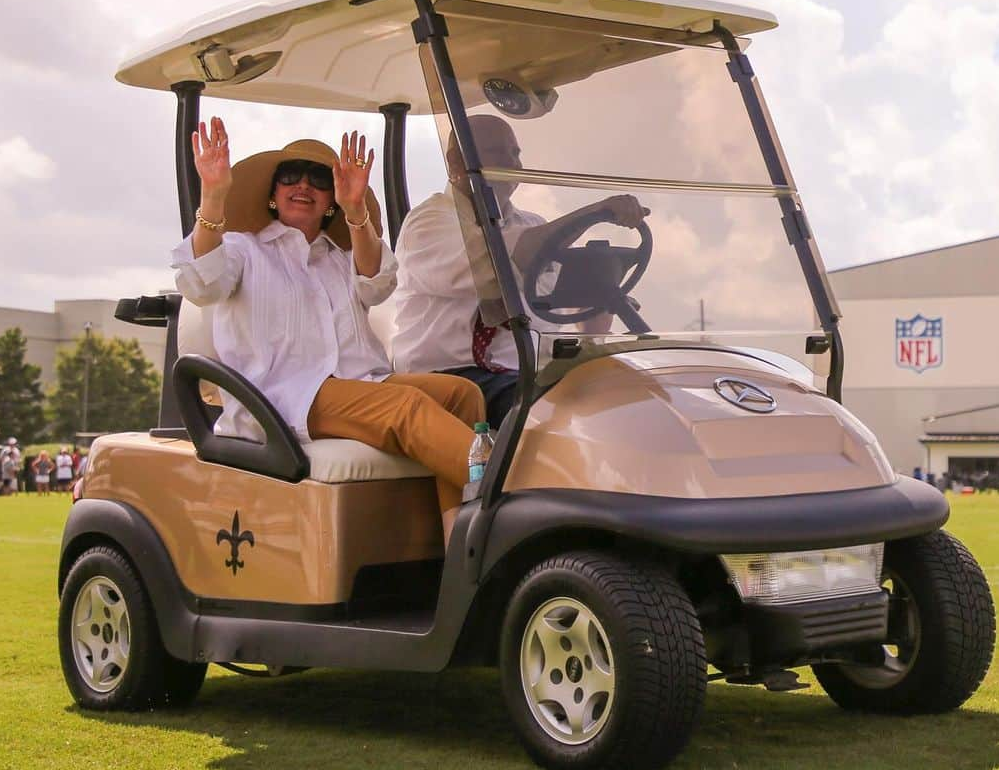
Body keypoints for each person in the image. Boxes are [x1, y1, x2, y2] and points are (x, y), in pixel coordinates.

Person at [172, 117, 484, 543]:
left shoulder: (338, 258)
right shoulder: (244, 251)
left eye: (319, 179)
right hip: (286, 397)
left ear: (331, 199)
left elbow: (378, 284)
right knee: (406, 407)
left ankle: (460, 541)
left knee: (462, 394)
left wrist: (358, 214)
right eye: (290, 176)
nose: (304, 186)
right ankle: (511, 493)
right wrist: (213, 195)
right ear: (273, 194)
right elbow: (200, 282)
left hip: (357, 385)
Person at [392, 114, 647, 429]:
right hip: (447, 375)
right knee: (552, 410)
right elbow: (498, 262)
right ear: (457, 162)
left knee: (633, 395)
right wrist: (595, 213)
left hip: (527, 372)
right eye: (500, 154)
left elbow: (551, 298)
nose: (515, 165)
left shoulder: (533, 225)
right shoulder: (427, 224)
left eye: (516, 154)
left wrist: (601, 298)